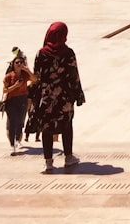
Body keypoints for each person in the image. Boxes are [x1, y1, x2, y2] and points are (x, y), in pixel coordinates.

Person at [33, 22, 85, 172]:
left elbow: (36, 76)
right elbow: (74, 75)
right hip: (64, 97)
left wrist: (34, 97)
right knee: (67, 126)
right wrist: (78, 95)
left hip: (47, 97)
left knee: (47, 128)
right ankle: (68, 157)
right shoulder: (68, 53)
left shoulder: (41, 53)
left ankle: (48, 161)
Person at [2, 53, 34, 154]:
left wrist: (27, 70)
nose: (19, 64)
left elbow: (35, 79)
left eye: (21, 62)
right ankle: (12, 145)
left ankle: (17, 140)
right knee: (12, 122)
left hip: (23, 99)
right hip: (11, 100)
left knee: (20, 122)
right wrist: (15, 86)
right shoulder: (8, 76)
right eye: (17, 62)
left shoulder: (25, 75)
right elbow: (5, 90)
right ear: (13, 64)